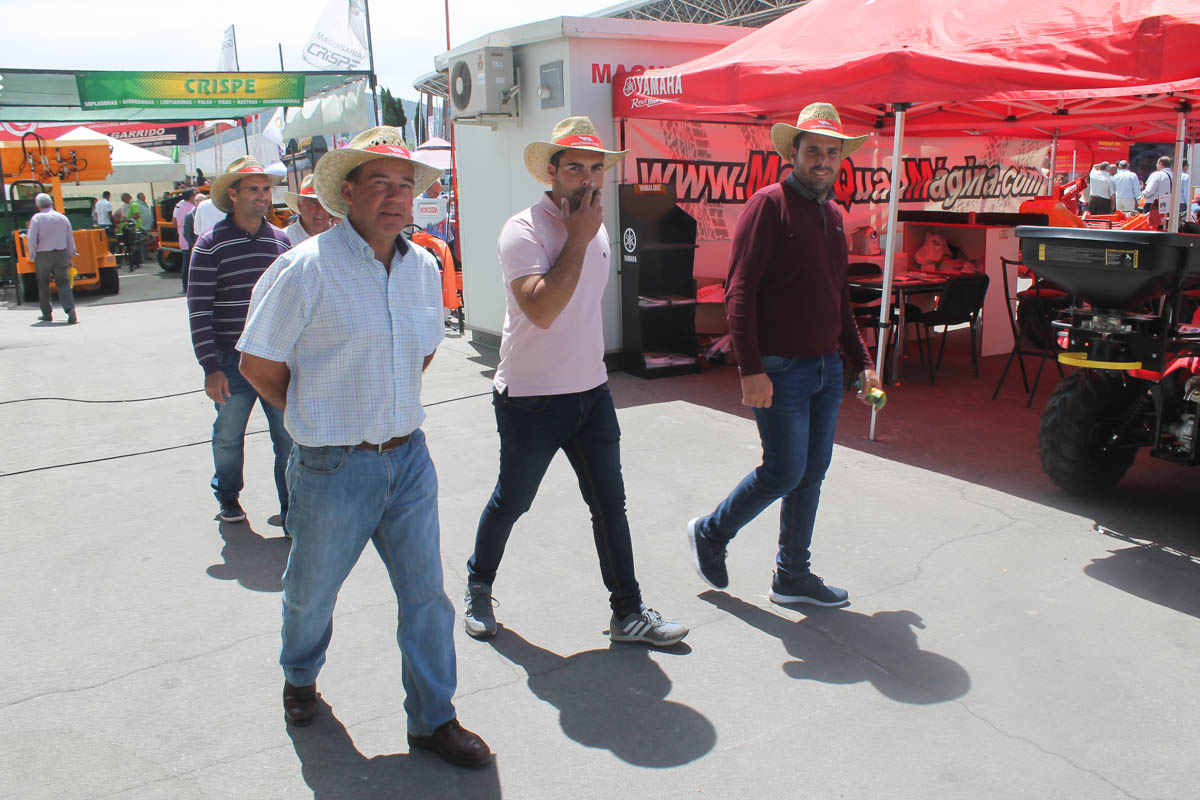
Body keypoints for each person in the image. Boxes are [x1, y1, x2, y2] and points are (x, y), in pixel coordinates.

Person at [235, 126, 492, 767]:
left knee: (426, 596)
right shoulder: (304, 269)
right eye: (379, 182)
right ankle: (300, 678)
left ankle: (433, 720)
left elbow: (423, 351)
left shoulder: (424, 267)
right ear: (347, 191)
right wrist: (313, 414)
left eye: (405, 184)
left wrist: (385, 402)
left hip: (408, 459)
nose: (395, 196)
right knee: (311, 592)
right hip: (331, 464)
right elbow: (257, 364)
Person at [462, 116, 688, 647]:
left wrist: (585, 234)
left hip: (591, 393)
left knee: (610, 505)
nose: (586, 179)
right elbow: (541, 309)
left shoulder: (594, 225)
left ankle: (628, 613)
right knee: (512, 501)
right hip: (531, 399)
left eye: (594, 169)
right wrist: (579, 239)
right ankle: (478, 583)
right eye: (574, 169)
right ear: (552, 172)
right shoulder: (524, 229)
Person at [686, 102, 883, 607]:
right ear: (793, 153)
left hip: (826, 370)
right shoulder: (768, 205)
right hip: (778, 368)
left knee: (812, 472)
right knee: (784, 470)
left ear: (842, 158)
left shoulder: (835, 215)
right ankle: (711, 531)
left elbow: (837, 298)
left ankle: (792, 575)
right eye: (812, 149)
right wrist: (749, 368)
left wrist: (861, 361)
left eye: (831, 151)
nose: (822, 159)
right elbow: (739, 291)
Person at [186, 158, 293, 527]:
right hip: (229, 358)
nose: (263, 196)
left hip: (275, 358)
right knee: (229, 435)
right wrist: (210, 368)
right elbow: (198, 309)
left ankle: (292, 507)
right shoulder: (210, 245)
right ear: (232, 194)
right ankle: (228, 497)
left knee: (288, 437)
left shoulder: (280, 241)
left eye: (266, 189)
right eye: (253, 189)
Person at [27, 193, 78, 324]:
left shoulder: (37, 218)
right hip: (61, 254)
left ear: (38, 205)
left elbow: (31, 240)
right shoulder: (62, 217)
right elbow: (69, 239)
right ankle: (70, 309)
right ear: (51, 203)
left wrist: (33, 255)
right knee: (64, 283)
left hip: (43, 255)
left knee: (43, 284)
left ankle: (47, 314)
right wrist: (71, 255)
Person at [282, 174, 332, 246]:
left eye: (324, 203)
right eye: (314, 203)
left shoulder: (342, 237)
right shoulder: (284, 240)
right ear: (300, 206)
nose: (320, 209)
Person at [173, 188, 196, 290]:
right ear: (191, 196)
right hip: (189, 239)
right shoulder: (191, 208)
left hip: (182, 238)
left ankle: (184, 285)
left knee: (185, 263)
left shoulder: (180, 207)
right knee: (190, 264)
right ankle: (188, 285)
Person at [115, 192, 143, 271]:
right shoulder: (130, 205)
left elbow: (137, 215)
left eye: (124, 200)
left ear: (128, 197)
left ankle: (137, 261)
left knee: (135, 245)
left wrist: (128, 218)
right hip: (131, 228)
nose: (124, 202)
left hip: (135, 227)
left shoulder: (133, 205)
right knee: (133, 245)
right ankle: (135, 260)